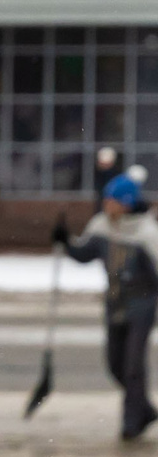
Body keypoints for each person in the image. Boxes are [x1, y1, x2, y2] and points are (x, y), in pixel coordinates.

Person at [53, 173, 158, 440]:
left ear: (126, 203)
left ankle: (131, 425)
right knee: (115, 365)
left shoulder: (146, 233)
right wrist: (65, 241)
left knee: (133, 367)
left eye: (112, 201)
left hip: (142, 306)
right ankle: (144, 410)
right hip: (115, 305)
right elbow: (84, 254)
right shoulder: (101, 226)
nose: (107, 205)